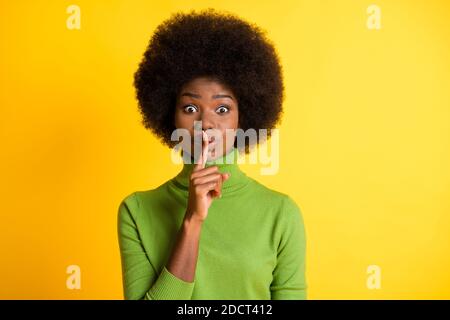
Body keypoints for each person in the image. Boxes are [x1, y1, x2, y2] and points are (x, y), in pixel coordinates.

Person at [117, 8, 307, 300]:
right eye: (191, 108)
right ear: (170, 117)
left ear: (243, 119)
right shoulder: (137, 211)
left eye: (222, 109)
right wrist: (193, 220)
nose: (206, 123)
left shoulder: (281, 214)